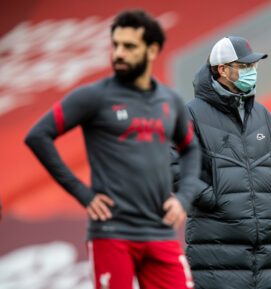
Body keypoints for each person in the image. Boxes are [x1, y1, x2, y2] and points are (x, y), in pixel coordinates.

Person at [25, 9, 199, 289]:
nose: (118, 53)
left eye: (129, 46)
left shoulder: (171, 100)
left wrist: (183, 198)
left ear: (152, 50)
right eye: (115, 45)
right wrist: (83, 193)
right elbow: (38, 135)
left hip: (161, 232)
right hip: (112, 233)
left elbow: (191, 149)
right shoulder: (92, 96)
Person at [181, 36, 271, 289]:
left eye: (253, 66)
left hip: (265, 257)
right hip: (215, 258)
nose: (252, 72)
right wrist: (215, 199)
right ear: (222, 70)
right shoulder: (191, 114)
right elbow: (174, 169)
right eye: (243, 67)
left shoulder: (262, 114)